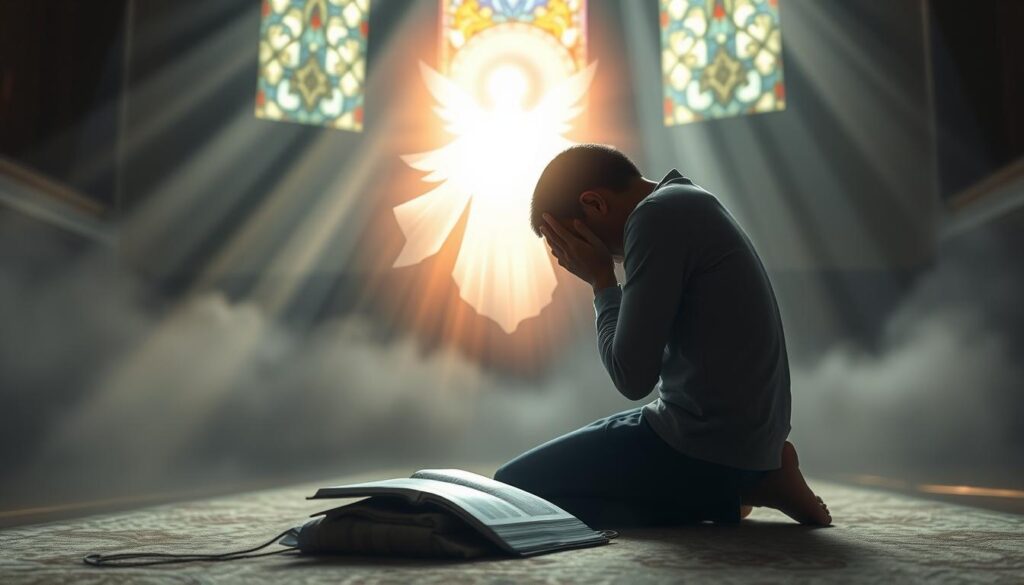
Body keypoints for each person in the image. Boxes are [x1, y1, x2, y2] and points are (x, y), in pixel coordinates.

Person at [493, 144, 831, 527]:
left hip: (701, 445)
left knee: (513, 489)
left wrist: (601, 281)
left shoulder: (653, 219)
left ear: (594, 205)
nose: (571, 255)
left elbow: (632, 377)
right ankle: (748, 483)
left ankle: (729, 492)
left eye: (569, 240)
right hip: (747, 443)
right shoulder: (685, 200)